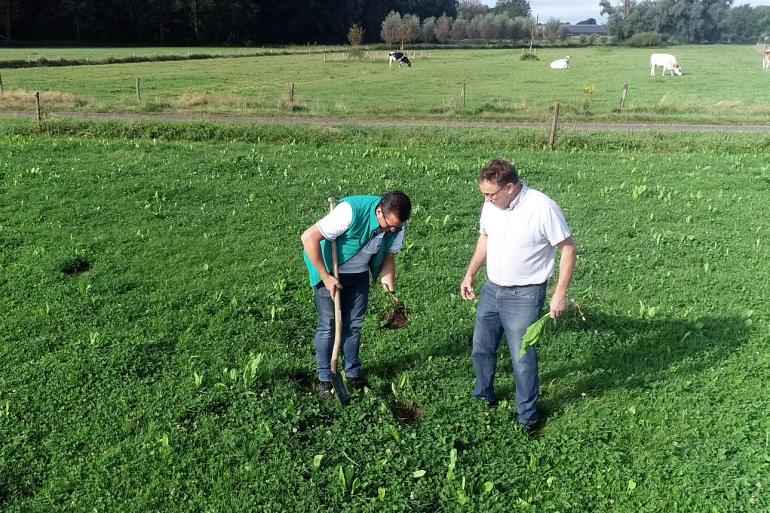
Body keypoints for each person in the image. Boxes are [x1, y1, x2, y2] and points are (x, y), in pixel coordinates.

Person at [460, 158, 577, 434]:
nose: (487, 200)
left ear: (510, 188)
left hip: (524, 295)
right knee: (481, 347)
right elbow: (484, 239)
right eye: (484, 194)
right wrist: (470, 274)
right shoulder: (491, 206)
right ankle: (483, 394)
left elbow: (568, 249)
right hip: (492, 289)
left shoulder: (542, 207)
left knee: (522, 358)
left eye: (491, 194)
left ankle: (528, 416)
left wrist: (560, 294)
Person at [302, 191, 412, 400]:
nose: (392, 230)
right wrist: (326, 277)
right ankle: (325, 378)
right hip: (329, 269)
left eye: (397, 227)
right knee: (329, 324)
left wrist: (391, 293)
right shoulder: (350, 212)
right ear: (380, 211)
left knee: (354, 324)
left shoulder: (396, 227)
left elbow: (388, 257)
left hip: (358, 274)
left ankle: (353, 373)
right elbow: (308, 238)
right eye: (389, 226)